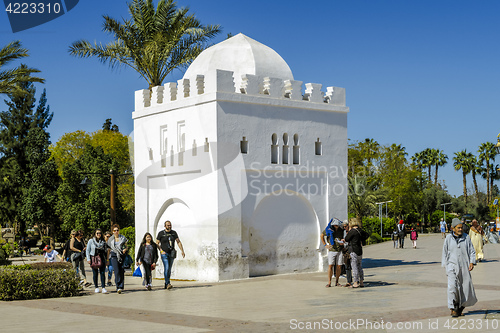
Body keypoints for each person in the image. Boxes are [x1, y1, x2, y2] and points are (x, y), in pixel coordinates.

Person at [442, 218, 477, 317]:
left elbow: (472, 251)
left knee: (464, 288)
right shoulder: (448, 238)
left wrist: (471, 262)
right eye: (458, 228)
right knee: (452, 287)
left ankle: (460, 308)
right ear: (453, 228)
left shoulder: (466, 237)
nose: (460, 229)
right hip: (451, 266)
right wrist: (446, 265)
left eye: (461, 227)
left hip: (464, 266)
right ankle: (452, 308)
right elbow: (445, 252)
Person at [156, 220, 185, 290]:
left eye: (170, 225)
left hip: (171, 253)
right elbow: (157, 243)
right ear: (165, 226)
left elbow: (178, 241)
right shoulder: (161, 233)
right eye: (168, 225)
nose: (169, 226)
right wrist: (161, 250)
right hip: (164, 253)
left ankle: (166, 283)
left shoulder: (173, 233)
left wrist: (182, 251)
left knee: (169, 269)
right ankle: (168, 283)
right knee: (167, 267)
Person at [344, 219, 369, 288]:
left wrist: (349, 230)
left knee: (354, 266)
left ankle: (355, 282)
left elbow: (346, 239)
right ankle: (361, 282)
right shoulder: (360, 230)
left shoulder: (352, 231)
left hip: (353, 250)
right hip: (359, 250)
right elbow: (367, 235)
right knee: (359, 266)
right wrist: (361, 239)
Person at [321, 218, 344, 287]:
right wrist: (325, 245)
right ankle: (329, 282)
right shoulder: (329, 229)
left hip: (339, 249)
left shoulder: (341, 229)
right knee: (330, 265)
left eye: (337, 225)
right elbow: (322, 235)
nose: (336, 226)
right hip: (332, 249)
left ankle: (337, 281)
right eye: (335, 225)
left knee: (339, 266)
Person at [107, 224, 128, 294]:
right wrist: (107, 259)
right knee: (116, 271)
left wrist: (125, 249)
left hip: (122, 255)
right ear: (112, 231)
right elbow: (108, 249)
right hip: (114, 255)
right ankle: (118, 286)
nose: (116, 232)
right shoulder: (110, 239)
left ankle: (121, 286)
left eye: (117, 230)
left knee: (121, 270)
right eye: (114, 230)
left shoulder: (123, 238)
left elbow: (127, 246)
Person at [86, 228, 109, 294]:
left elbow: (106, 250)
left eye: (100, 233)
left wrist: (107, 259)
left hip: (102, 257)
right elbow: (88, 250)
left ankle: (103, 287)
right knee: (95, 273)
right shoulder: (91, 241)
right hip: (94, 258)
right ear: (95, 234)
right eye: (97, 233)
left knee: (102, 273)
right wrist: (88, 259)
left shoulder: (103, 241)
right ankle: (96, 287)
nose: (99, 234)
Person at [342, 220, 353, 287]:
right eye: (344, 227)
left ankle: (357, 281)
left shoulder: (352, 232)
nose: (344, 228)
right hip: (346, 251)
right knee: (347, 266)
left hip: (351, 250)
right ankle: (349, 281)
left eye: (345, 226)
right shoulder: (344, 232)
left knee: (354, 266)